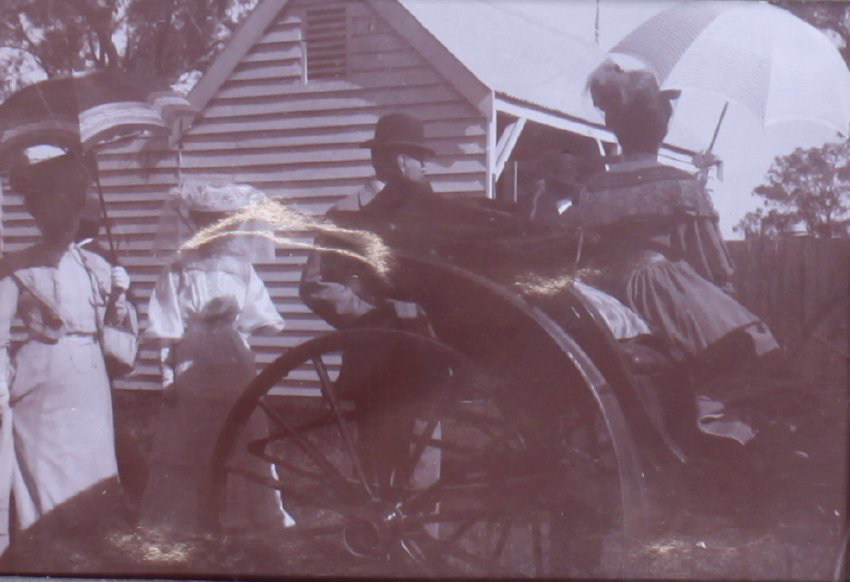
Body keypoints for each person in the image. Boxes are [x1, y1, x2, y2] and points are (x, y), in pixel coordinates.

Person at [563, 61, 778, 444]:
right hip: (664, 288)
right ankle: (711, 423)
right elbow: (712, 264)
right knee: (754, 342)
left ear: (614, 126)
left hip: (607, 297)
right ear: (662, 129)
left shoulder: (593, 188)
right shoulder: (680, 187)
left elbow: (583, 250)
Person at [0, 149, 136, 551]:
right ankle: (45, 550)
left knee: (90, 469)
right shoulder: (17, 266)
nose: (63, 219)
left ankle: (91, 549)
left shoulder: (95, 266)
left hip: (90, 376)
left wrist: (119, 296)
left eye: (72, 207)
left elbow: (112, 330)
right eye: (50, 208)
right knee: (49, 468)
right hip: (43, 379)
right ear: (37, 213)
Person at [140, 181, 293, 535]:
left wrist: (254, 327)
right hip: (192, 357)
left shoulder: (241, 269)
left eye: (224, 223)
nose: (217, 232)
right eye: (208, 223)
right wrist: (167, 378)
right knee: (191, 434)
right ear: (195, 225)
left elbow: (259, 315)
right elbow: (167, 325)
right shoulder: (180, 268)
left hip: (233, 357)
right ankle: (186, 519)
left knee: (237, 428)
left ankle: (244, 514)